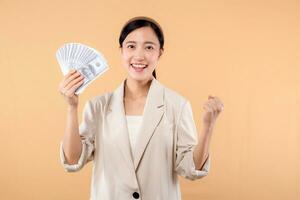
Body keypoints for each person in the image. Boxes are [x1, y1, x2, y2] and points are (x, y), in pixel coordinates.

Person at [58, 16, 224, 200]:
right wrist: (72, 108)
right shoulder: (98, 106)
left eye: (149, 47)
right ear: (121, 51)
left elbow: (192, 169)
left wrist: (208, 127)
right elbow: (73, 161)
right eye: (131, 46)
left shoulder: (177, 105)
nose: (139, 55)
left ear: (160, 53)